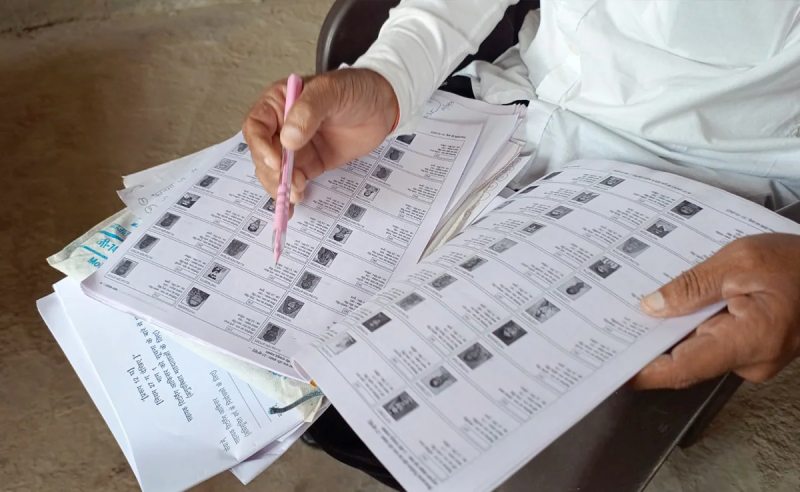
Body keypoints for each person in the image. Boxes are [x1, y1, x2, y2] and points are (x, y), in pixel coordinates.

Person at [243, 0, 800, 487]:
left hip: (705, 176)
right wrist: (390, 75)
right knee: (288, 372)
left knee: (486, 430)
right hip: (518, 95)